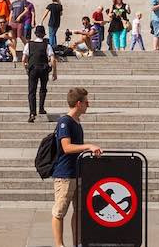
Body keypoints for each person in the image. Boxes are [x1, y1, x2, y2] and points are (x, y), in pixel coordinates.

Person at [51, 88, 102, 247]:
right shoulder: (65, 122)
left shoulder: (77, 122)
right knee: (59, 212)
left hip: (77, 173)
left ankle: (77, 243)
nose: (89, 105)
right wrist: (88, 146)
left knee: (79, 212)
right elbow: (66, 147)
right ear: (78, 104)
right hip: (65, 175)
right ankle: (59, 245)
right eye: (86, 102)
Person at [23, 28, 58, 122]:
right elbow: (52, 59)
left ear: (35, 34)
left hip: (33, 69)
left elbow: (24, 59)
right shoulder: (47, 45)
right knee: (43, 89)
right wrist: (54, 72)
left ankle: (32, 112)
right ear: (43, 35)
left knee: (32, 91)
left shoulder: (28, 44)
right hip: (44, 69)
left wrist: (26, 68)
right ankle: (41, 108)